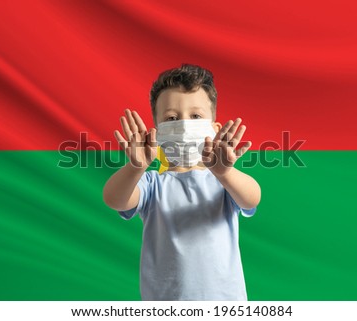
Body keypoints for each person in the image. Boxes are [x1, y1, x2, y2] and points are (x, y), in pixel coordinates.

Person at [103, 63, 261, 300]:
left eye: (196, 116)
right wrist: (136, 167)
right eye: (172, 118)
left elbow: (252, 197)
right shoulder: (151, 184)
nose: (185, 125)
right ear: (157, 132)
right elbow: (115, 199)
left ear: (214, 129)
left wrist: (224, 173)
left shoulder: (223, 182)